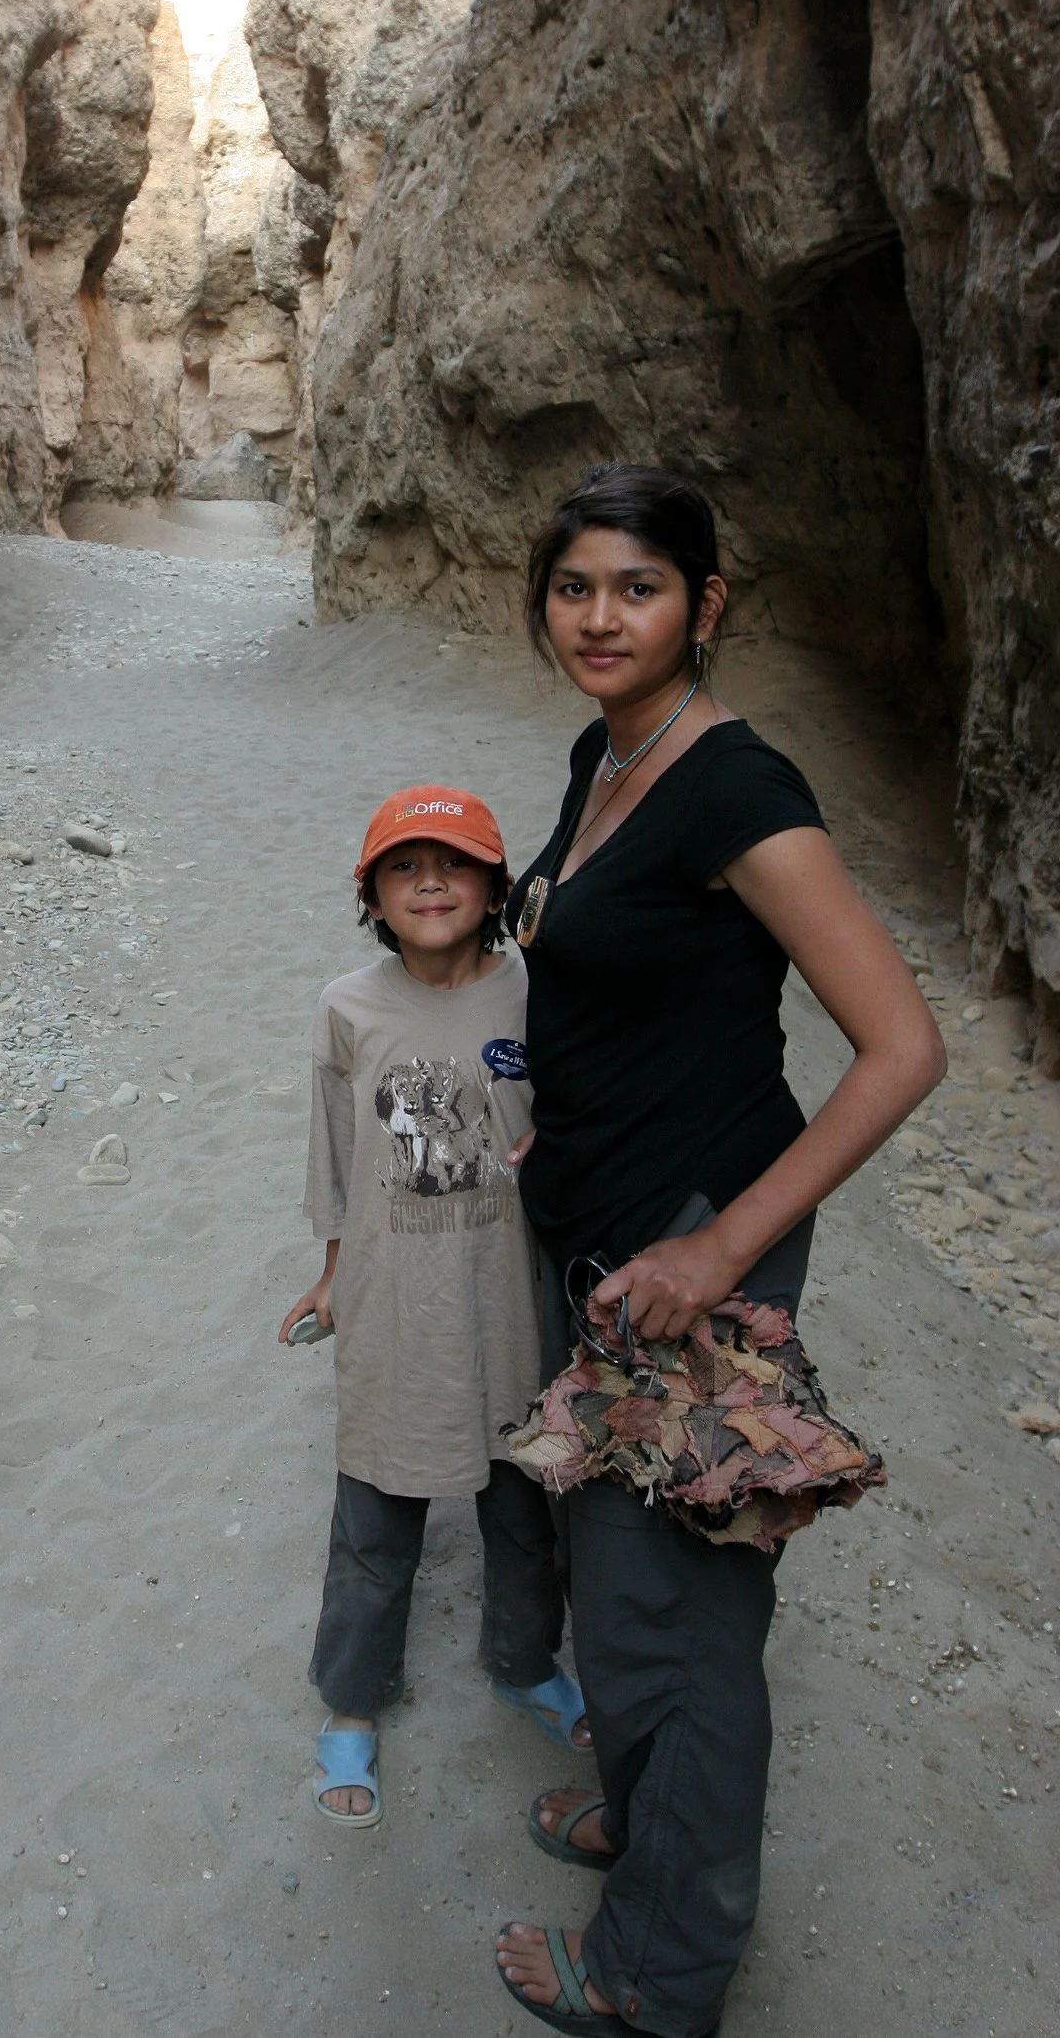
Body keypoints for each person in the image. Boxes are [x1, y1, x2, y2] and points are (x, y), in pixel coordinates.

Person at [491, 466, 946, 2036]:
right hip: (607, 1231)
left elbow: (903, 1048)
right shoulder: (607, 753)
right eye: (574, 587)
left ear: (707, 604)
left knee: (675, 1618)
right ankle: (642, 1813)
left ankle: (656, 1975)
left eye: (639, 588)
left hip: (693, 1249)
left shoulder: (738, 788)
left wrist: (721, 1248)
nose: (600, 617)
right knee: (623, 1581)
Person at [280, 784, 590, 1829]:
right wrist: (333, 1273)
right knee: (375, 1518)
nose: (429, 882)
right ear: (370, 895)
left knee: (525, 1513)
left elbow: (580, 1117)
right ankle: (352, 1700)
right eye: (403, 866)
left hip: (513, 1304)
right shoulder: (346, 1007)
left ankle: (523, 1663)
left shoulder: (534, 995)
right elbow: (333, 1158)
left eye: (455, 863)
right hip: (392, 1307)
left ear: (497, 890)